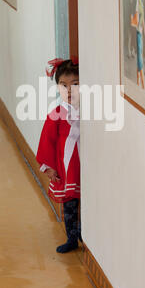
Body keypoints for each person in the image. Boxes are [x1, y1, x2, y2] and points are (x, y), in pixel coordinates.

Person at [36, 58, 81, 254]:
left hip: (86, 165)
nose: (69, 91)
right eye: (64, 86)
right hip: (67, 167)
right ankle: (71, 236)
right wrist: (49, 166)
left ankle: (84, 232)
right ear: (58, 88)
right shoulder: (56, 114)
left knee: (87, 201)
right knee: (70, 203)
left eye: (75, 85)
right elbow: (47, 141)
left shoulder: (91, 111)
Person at [131, 0, 145, 89]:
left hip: (139, 31)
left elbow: (139, 15)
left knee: (140, 58)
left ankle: (142, 83)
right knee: (138, 56)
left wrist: (133, 20)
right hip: (140, 29)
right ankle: (138, 82)